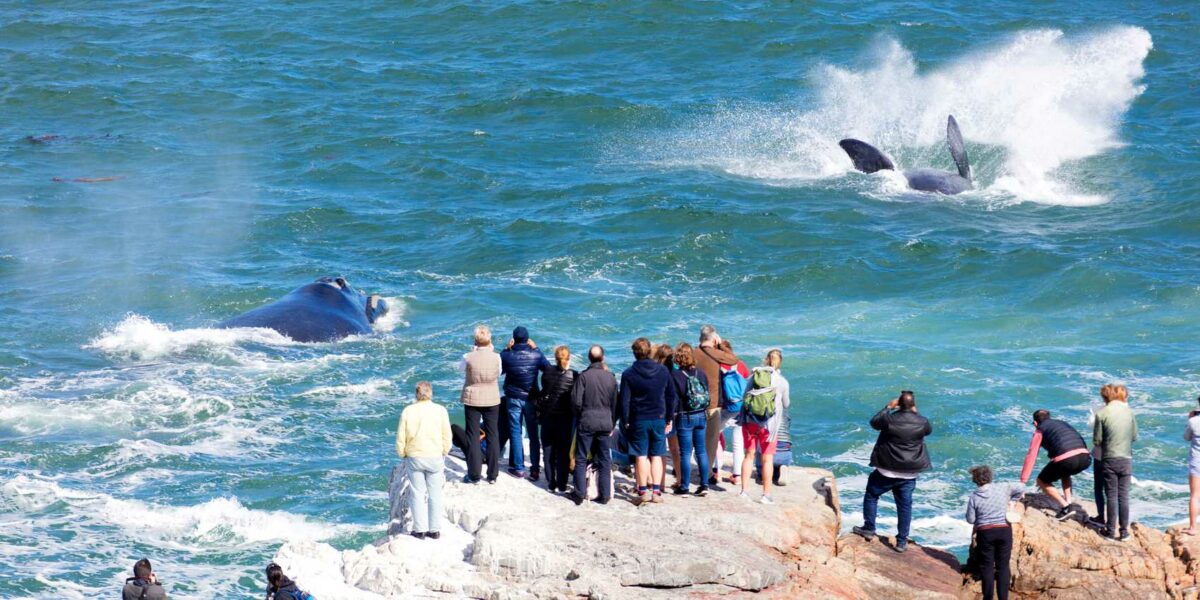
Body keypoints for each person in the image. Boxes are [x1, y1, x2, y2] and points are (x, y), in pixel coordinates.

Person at [852, 390, 933, 553]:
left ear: (899, 404)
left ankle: (869, 528)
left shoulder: (889, 419)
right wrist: (914, 411)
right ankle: (901, 541)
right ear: (913, 405)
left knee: (872, 495)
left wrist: (888, 407)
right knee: (905, 506)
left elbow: (874, 422)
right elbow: (927, 430)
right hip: (909, 473)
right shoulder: (922, 422)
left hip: (886, 470)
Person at [619, 337, 677, 505]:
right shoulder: (663, 371)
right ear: (649, 350)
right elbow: (671, 396)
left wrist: (625, 420)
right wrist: (669, 418)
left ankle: (643, 491)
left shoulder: (628, 373)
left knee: (641, 455)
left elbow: (624, 401)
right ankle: (657, 492)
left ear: (634, 353)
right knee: (657, 454)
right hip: (659, 417)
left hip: (638, 419)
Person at [396, 381, 452, 539]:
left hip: (415, 456)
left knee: (417, 493)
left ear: (416, 393)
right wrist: (445, 450)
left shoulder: (408, 411)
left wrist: (402, 453)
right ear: (431, 393)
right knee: (435, 493)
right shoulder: (440, 410)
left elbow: (401, 436)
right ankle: (434, 530)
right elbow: (446, 434)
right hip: (435, 455)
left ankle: (419, 529)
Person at [1018, 409, 1091, 520]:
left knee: (1041, 480)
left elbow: (1031, 456)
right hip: (1085, 457)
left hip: (1067, 459)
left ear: (1035, 423)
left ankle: (1066, 507)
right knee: (1065, 472)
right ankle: (1069, 501)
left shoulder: (1040, 430)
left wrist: (1022, 482)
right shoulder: (1062, 423)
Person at [739, 349, 791, 504]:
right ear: (779, 362)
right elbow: (786, 404)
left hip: (750, 422)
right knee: (767, 459)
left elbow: (745, 396)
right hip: (769, 426)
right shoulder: (782, 381)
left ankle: (744, 491)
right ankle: (766, 495)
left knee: (749, 455)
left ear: (766, 360)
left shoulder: (754, 376)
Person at [964, 466, 1024, 600]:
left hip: (985, 533)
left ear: (975, 480)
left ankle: (988, 597)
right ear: (990, 476)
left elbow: (970, 519)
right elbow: (1021, 487)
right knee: (1003, 566)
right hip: (1003, 530)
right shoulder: (1003, 487)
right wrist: (1012, 501)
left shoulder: (974, 497)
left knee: (987, 567)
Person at [500, 326, 551, 480]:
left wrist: (506, 349)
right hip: (531, 398)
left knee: (516, 432)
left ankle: (519, 468)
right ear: (528, 339)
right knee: (533, 434)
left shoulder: (506, 355)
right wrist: (537, 349)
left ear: (513, 339)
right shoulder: (536, 354)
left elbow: (499, 370)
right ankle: (535, 469)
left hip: (514, 397)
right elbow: (548, 370)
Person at [570, 345, 619, 505]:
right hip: (605, 422)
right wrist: (612, 423)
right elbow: (615, 404)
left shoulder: (583, 377)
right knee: (605, 459)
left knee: (581, 457)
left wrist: (581, 415)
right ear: (602, 358)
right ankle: (604, 495)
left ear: (589, 358)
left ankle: (579, 493)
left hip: (587, 421)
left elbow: (576, 402)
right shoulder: (610, 377)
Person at [693, 325, 739, 487]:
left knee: (696, 438)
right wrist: (720, 345)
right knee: (711, 439)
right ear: (713, 338)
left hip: (694, 403)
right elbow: (733, 359)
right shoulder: (715, 353)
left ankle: (698, 466)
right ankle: (707, 472)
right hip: (712, 403)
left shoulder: (693, 352)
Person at [1094, 383, 1137, 541]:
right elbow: (1134, 436)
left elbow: (1097, 440)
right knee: (1123, 496)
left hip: (1109, 458)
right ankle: (1124, 532)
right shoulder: (1129, 412)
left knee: (1111, 495)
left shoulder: (1102, 413)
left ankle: (1110, 531)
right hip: (1126, 458)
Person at [460, 325, 502, 484]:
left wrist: (473, 352)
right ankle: (492, 475)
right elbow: (498, 373)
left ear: (475, 341)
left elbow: (460, 369)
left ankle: (474, 475)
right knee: (492, 435)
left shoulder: (468, 356)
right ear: (489, 340)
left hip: (472, 398)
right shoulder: (497, 357)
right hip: (492, 398)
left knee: (473, 435)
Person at [669, 342, 710, 496]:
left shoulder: (676, 375)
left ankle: (684, 486)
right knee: (701, 451)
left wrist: (670, 416)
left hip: (685, 415)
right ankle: (704, 485)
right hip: (701, 414)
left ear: (678, 358)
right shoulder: (701, 373)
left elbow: (674, 399)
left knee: (685, 452)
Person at [538, 345, 577, 493]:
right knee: (562, 453)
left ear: (555, 358)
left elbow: (544, 390)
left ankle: (550, 483)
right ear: (569, 358)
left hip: (548, 417)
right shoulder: (574, 375)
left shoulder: (547, 372)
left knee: (547, 451)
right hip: (564, 420)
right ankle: (562, 484)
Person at [652, 343, 681, 491]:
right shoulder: (676, 372)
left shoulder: (657, 373)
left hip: (661, 413)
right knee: (675, 448)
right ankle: (680, 479)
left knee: (660, 449)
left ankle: (661, 482)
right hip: (675, 413)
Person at [1185, 396, 1200, 535]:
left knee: (1195, 495)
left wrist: (1189, 419)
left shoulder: (1194, 421)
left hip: (1197, 462)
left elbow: (1186, 437)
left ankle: (1193, 528)